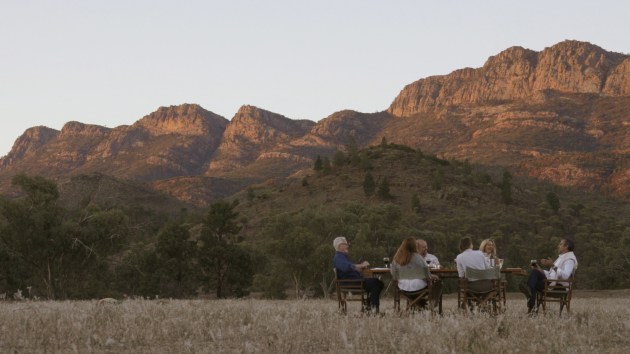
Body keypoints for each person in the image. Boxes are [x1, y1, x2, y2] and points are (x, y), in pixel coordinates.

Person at [520, 238, 578, 313]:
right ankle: (531, 303)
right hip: (551, 281)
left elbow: (565, 275)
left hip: (558, 286)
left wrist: (552, 265)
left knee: (532, 284)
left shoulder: (570, 259)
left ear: (566, 246)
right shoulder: (562, 257)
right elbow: (552, 274)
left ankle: (531, 301)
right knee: (535, 272)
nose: (558, 246)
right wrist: (540, 269)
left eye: (560, 244)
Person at [333, 236, 384, 313]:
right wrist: (361, 265)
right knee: (376, 283)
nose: (348, 246)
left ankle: (369, 307)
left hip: (354, 281)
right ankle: (372, 310)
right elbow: (347, 267)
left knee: (378, 283)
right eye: (346, 244)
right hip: (351, 283)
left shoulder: (342, 257)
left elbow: (351, 268)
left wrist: (361, 267)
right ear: (340, 246)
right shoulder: (338, 257)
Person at [390, 238, 442, 308]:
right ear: (414, 246)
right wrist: (434, 276)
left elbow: (394, 275)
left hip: (402, 287)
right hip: (418, 287)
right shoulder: (418, 258)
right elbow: (427, 276)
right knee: (439, 283)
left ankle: (418, 305)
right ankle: (432, 305)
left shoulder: (396, 258)